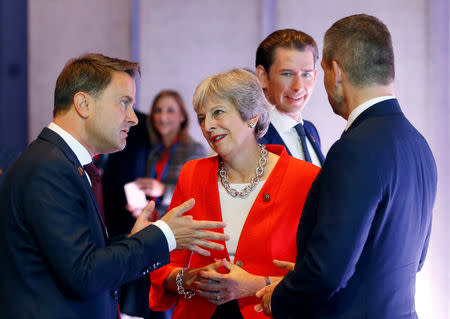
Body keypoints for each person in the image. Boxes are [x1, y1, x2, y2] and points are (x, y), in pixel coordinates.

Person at [0, 53, 228, 319]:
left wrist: (139, 238)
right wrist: (164, 236)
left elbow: (83, 254)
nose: (133, 118)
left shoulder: (61, 161)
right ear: (83, 104)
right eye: (124, 103)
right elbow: (85, 274)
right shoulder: (49, 168)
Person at [256, 14, 437, 318]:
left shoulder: (354, 149)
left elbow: (328, 271)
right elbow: (415, 258)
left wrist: (281, 297)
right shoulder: (418, 144)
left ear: (335, 72)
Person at [149, 69, 320, 319]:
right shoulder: (192, 174)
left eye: (218, 112)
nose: (207, 126)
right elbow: (164, 266)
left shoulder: (305, 178)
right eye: (201, 117)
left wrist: (253, 284)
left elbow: (317, 277)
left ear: (251, 115)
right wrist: (187, 279)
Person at [256, 29, 325, 166]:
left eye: (306, 75)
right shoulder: (251, 138)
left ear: (315, 76)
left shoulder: (310, 130)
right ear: (263, 76)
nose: (298, 86)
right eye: (287, 74)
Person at [133, 90, 206, 218]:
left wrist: (162, 189)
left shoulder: (194, 149)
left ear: (182, 116)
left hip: (180, 229)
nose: (162, 117)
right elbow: (156, 201)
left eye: (170, 111)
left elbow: (196, 196)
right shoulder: (154, 152)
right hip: (155, 226)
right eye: (158, 110)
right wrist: (143, 209)